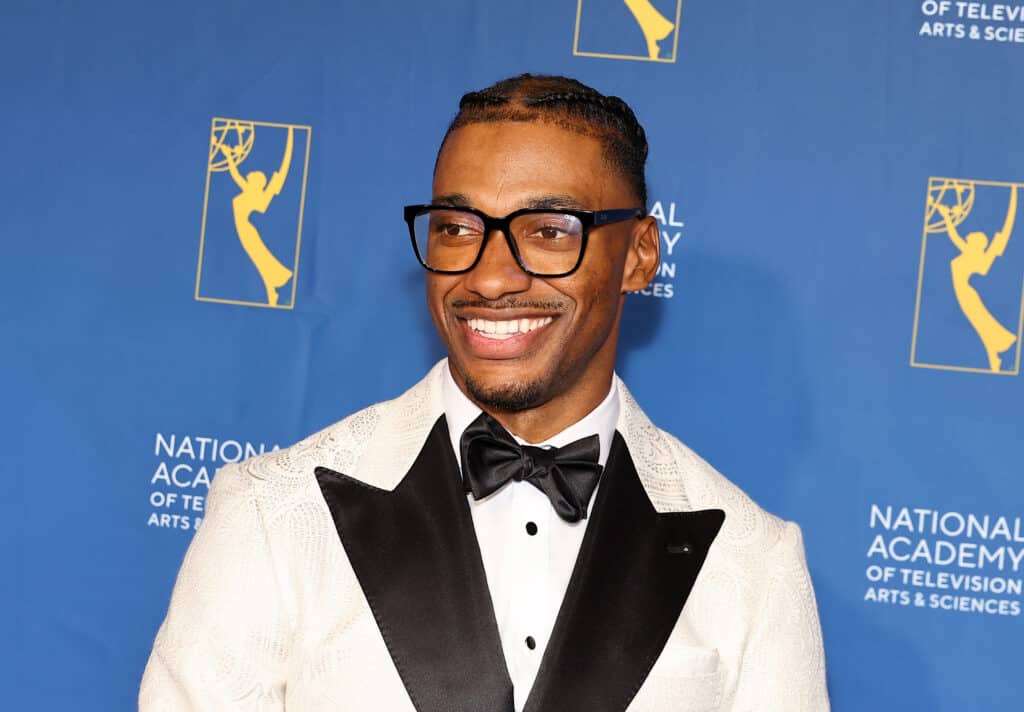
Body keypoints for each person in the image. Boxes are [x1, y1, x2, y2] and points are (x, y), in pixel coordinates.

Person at [140, 74, 829, 711]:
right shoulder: (273, 514)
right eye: (457, 228)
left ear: (640, 255)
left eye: (549, 231)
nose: (491, 277)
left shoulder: (751, 563)